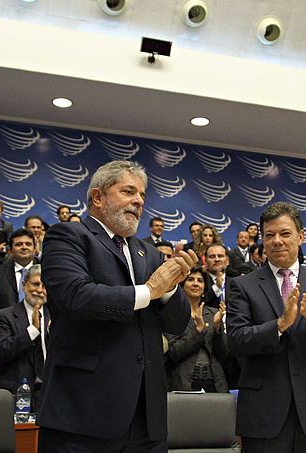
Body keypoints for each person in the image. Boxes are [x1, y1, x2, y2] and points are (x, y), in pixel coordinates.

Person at [37, 160, 197, 451]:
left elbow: (177, 324)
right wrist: (149, 290)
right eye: (128, 192)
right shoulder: (69, 236)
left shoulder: (147, 251)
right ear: (98, 197)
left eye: (142, 196)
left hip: (146, 419)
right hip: (83, 415)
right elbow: (77, 297)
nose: (138, 201)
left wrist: (170, 289)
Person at [226, 201, 306, 453]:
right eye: (269, 235)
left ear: (301, 236)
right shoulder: (243, 285)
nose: (277, 241)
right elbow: (236, 341)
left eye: (285, 233)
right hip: (263, 413)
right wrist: (280, 325)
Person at [0, 264, 49, 412]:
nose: (40, 290)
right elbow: (0, 351)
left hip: (48, 394)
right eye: (35, 284)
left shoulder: (57, 317)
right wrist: (32, 331)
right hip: (15, 394)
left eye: (44, 286)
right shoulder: (4, 316)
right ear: (24, 285)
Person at [164, 266, 228, 393]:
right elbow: (174, 352)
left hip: (214, 381)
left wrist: (217, 328)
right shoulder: (172, 313)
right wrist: (198, 329)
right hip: (183, 381)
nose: (195, 283)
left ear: (204, 287)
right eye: (190, 279)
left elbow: (224, 354)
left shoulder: (214, 313)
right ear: (182, 285)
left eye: (200, 280)